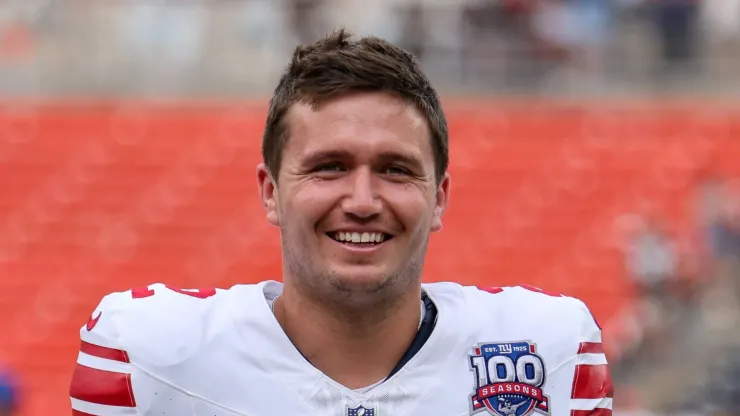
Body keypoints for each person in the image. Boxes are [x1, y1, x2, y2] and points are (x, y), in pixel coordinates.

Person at [69, 29, 613, 416]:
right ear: (272, 192)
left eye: (395, 170)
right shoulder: (150, 355)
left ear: (439, 198)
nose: (362, 200)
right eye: (329, 168)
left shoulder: (547, 350)